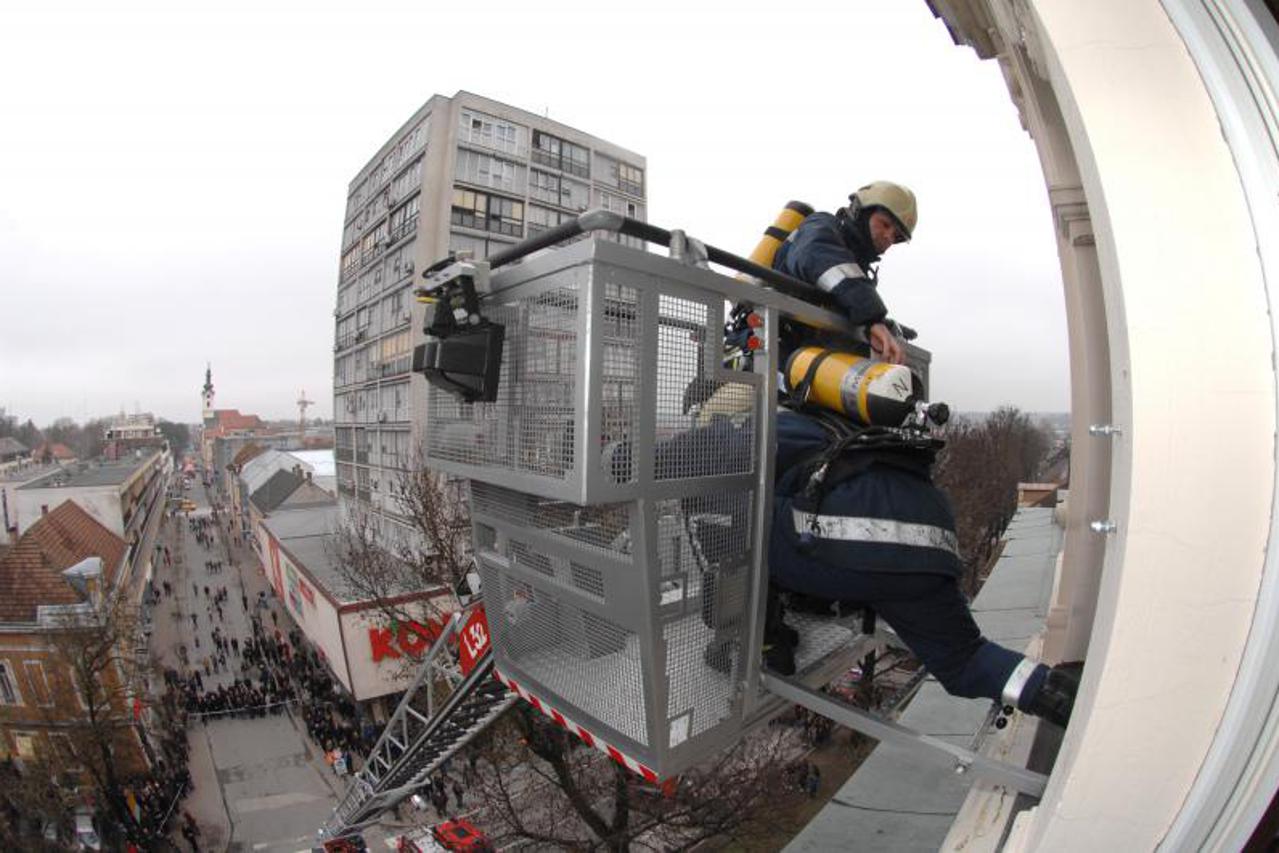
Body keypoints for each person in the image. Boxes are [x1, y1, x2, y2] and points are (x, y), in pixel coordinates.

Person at [766, 406, 1080, 727]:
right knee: (966, 659)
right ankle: (1070, 700)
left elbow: (740, 521)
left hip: (853, 537)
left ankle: (767, 634)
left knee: (741, 533)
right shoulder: (812, 422)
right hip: (932, 535)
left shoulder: (747, 434)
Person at [772, 181, 917, 365]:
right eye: (885, 224)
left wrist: (882, 326)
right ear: (860, 212)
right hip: (764, 354)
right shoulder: (821, 225)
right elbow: (817, 256)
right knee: (744, 394)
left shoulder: (857, 269)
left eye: (897, 237)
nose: (889, 237)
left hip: (804, 361)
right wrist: (873, 319)